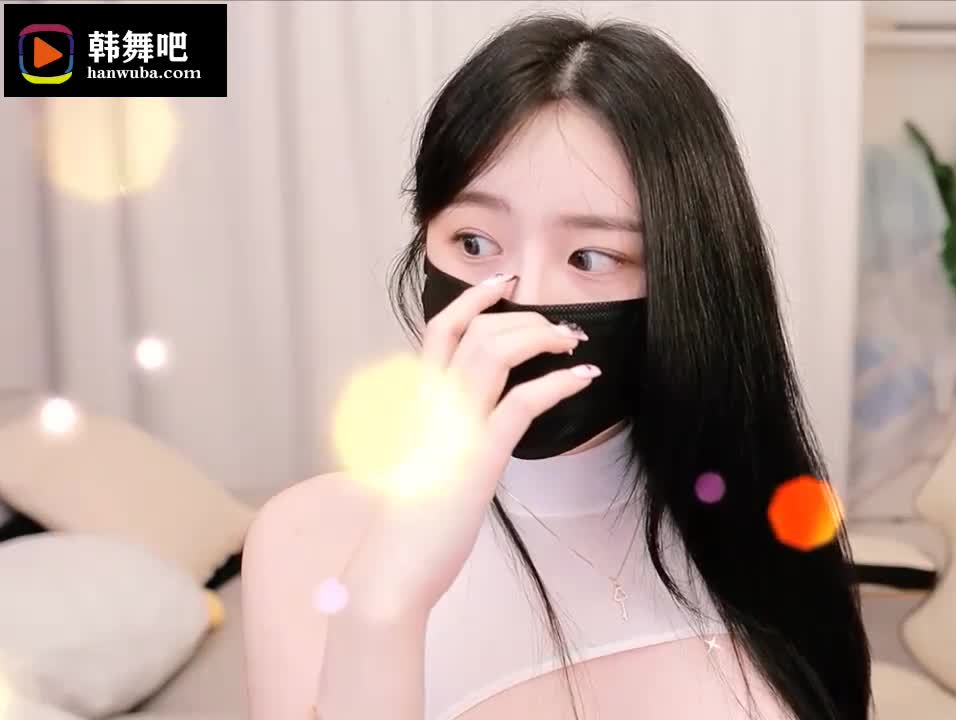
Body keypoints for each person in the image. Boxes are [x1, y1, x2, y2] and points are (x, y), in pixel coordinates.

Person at [242, 12, 871, 720]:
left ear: (687, 279)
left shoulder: (759, 522)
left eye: (589, 257)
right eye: (474, 243)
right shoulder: (307, 536)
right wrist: (383, 604)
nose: (526, 300)